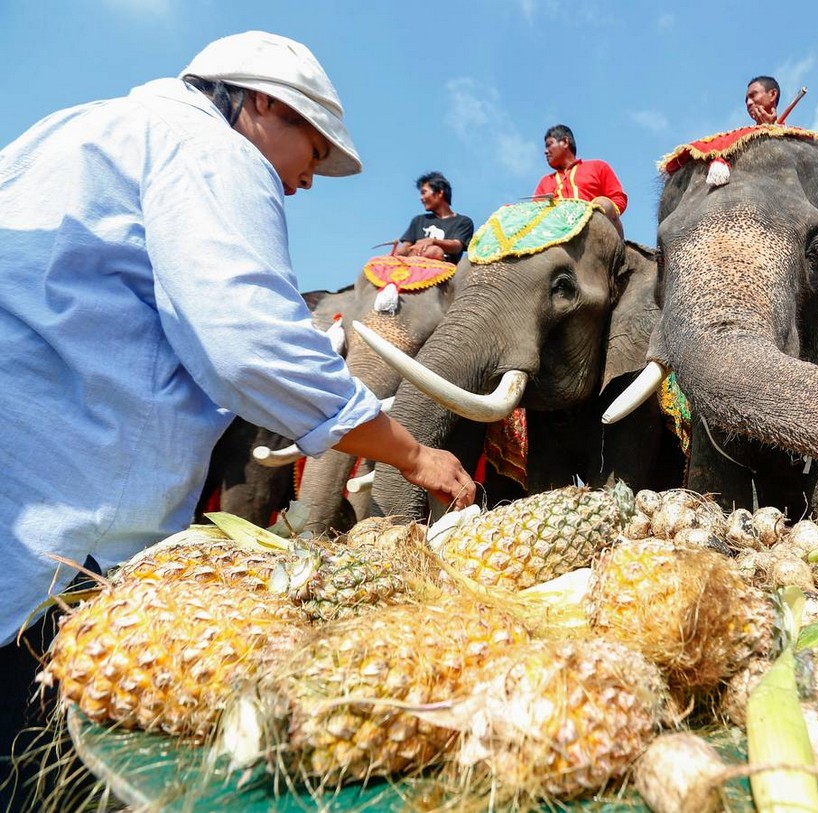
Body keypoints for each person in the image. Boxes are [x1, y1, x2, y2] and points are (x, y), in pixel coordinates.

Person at [0, 30, 475, 806]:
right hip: (50, 554)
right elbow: (251, 343)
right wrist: (410, 452)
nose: (307, 181)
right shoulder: (215, 152)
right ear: (257, 104)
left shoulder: (73, 129)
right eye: (312, 153)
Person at [532, 124, 627, 235]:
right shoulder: (545, 181)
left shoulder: (598, 167)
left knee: (603, 203)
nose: (545, 151)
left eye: (549, 145)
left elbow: (618, 198)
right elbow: (534, 212)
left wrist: (596, 211)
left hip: (598, 231)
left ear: (565, 142)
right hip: (557, 235)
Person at [393, 171, 474, 264]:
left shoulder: (463, 222)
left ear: (440, 192)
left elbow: (457, 246)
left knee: (434, 251)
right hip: (412, 265)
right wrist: (395, 253)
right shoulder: (418, 220)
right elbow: (406, 247)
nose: (421, 198)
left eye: (424, 192)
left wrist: (432, 241)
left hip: (443, 269)